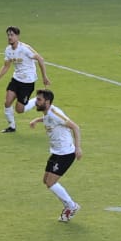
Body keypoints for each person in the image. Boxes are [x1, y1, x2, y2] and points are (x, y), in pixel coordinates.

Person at [25, 89, 82, 223]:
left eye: (39, 100)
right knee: (46, 181)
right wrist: (36, 120)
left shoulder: (55, 114)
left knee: (51, 183)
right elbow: (47, 118)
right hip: (56, 152)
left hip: (66, 154)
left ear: (47, 102)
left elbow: (75, 127)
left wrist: (78, 148)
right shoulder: (48, 113)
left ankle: (71, 206)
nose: (36, 102)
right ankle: (70, 205)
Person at [0, 26, 49, 133]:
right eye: (8, 35)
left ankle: (35, 101)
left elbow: (40, 59)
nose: (9, 37)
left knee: (19, 110)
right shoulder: (8, 50)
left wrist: (44, 77)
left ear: (17, 36)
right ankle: (12, 127)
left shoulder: (25, 48)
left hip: (27, 82)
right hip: (16, 79)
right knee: (7, 103)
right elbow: (6, 66)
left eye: (12, 35)